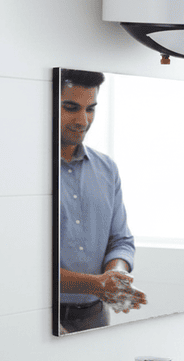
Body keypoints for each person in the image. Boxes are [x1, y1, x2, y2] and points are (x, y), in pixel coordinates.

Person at [58, 69, 146, 333]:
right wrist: (96, 284)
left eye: (91, 109)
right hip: (43, 316)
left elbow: (121, 241)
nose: (83, 120)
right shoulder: (26, 171)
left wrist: (115, 276)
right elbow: (25, 265)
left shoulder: (107, 169)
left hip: (96, 316)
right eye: (71, 108)